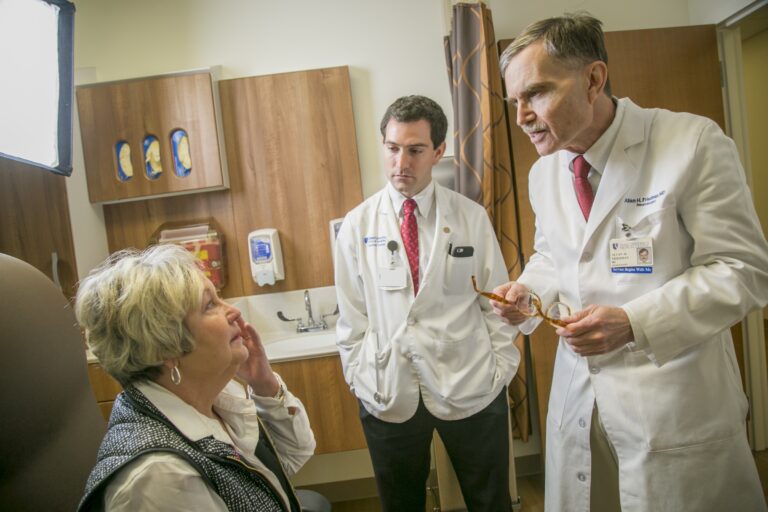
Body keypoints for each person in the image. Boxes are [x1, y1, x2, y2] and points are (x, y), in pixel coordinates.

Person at [495, 12, 768, 512]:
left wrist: (634, 323)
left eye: (535, 94)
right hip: (581, 398)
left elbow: (743, 270)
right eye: (514, 101)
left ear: (593, 79)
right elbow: (554, 256)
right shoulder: (545, 173)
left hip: (671, 398)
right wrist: (530, 293)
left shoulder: (691, 144)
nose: (521, 117)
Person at [334, 95, 520, 511]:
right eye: (392, 147)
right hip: (389, 388)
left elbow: (497, 304)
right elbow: (351, 316)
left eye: (416, 150)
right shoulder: (357, 226)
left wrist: (500, 371)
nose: (402, 162)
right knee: (401, 504)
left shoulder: (470, 217)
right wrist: (360, 376)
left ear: (438, 151)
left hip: (471, 384)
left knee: (491, 502)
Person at [74, 244, 325, 512]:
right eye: (210, 305)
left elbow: (292, 455)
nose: (234, 311)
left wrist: (263, 385)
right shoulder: (160, 479)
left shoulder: (214, 398)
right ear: (166, 347)